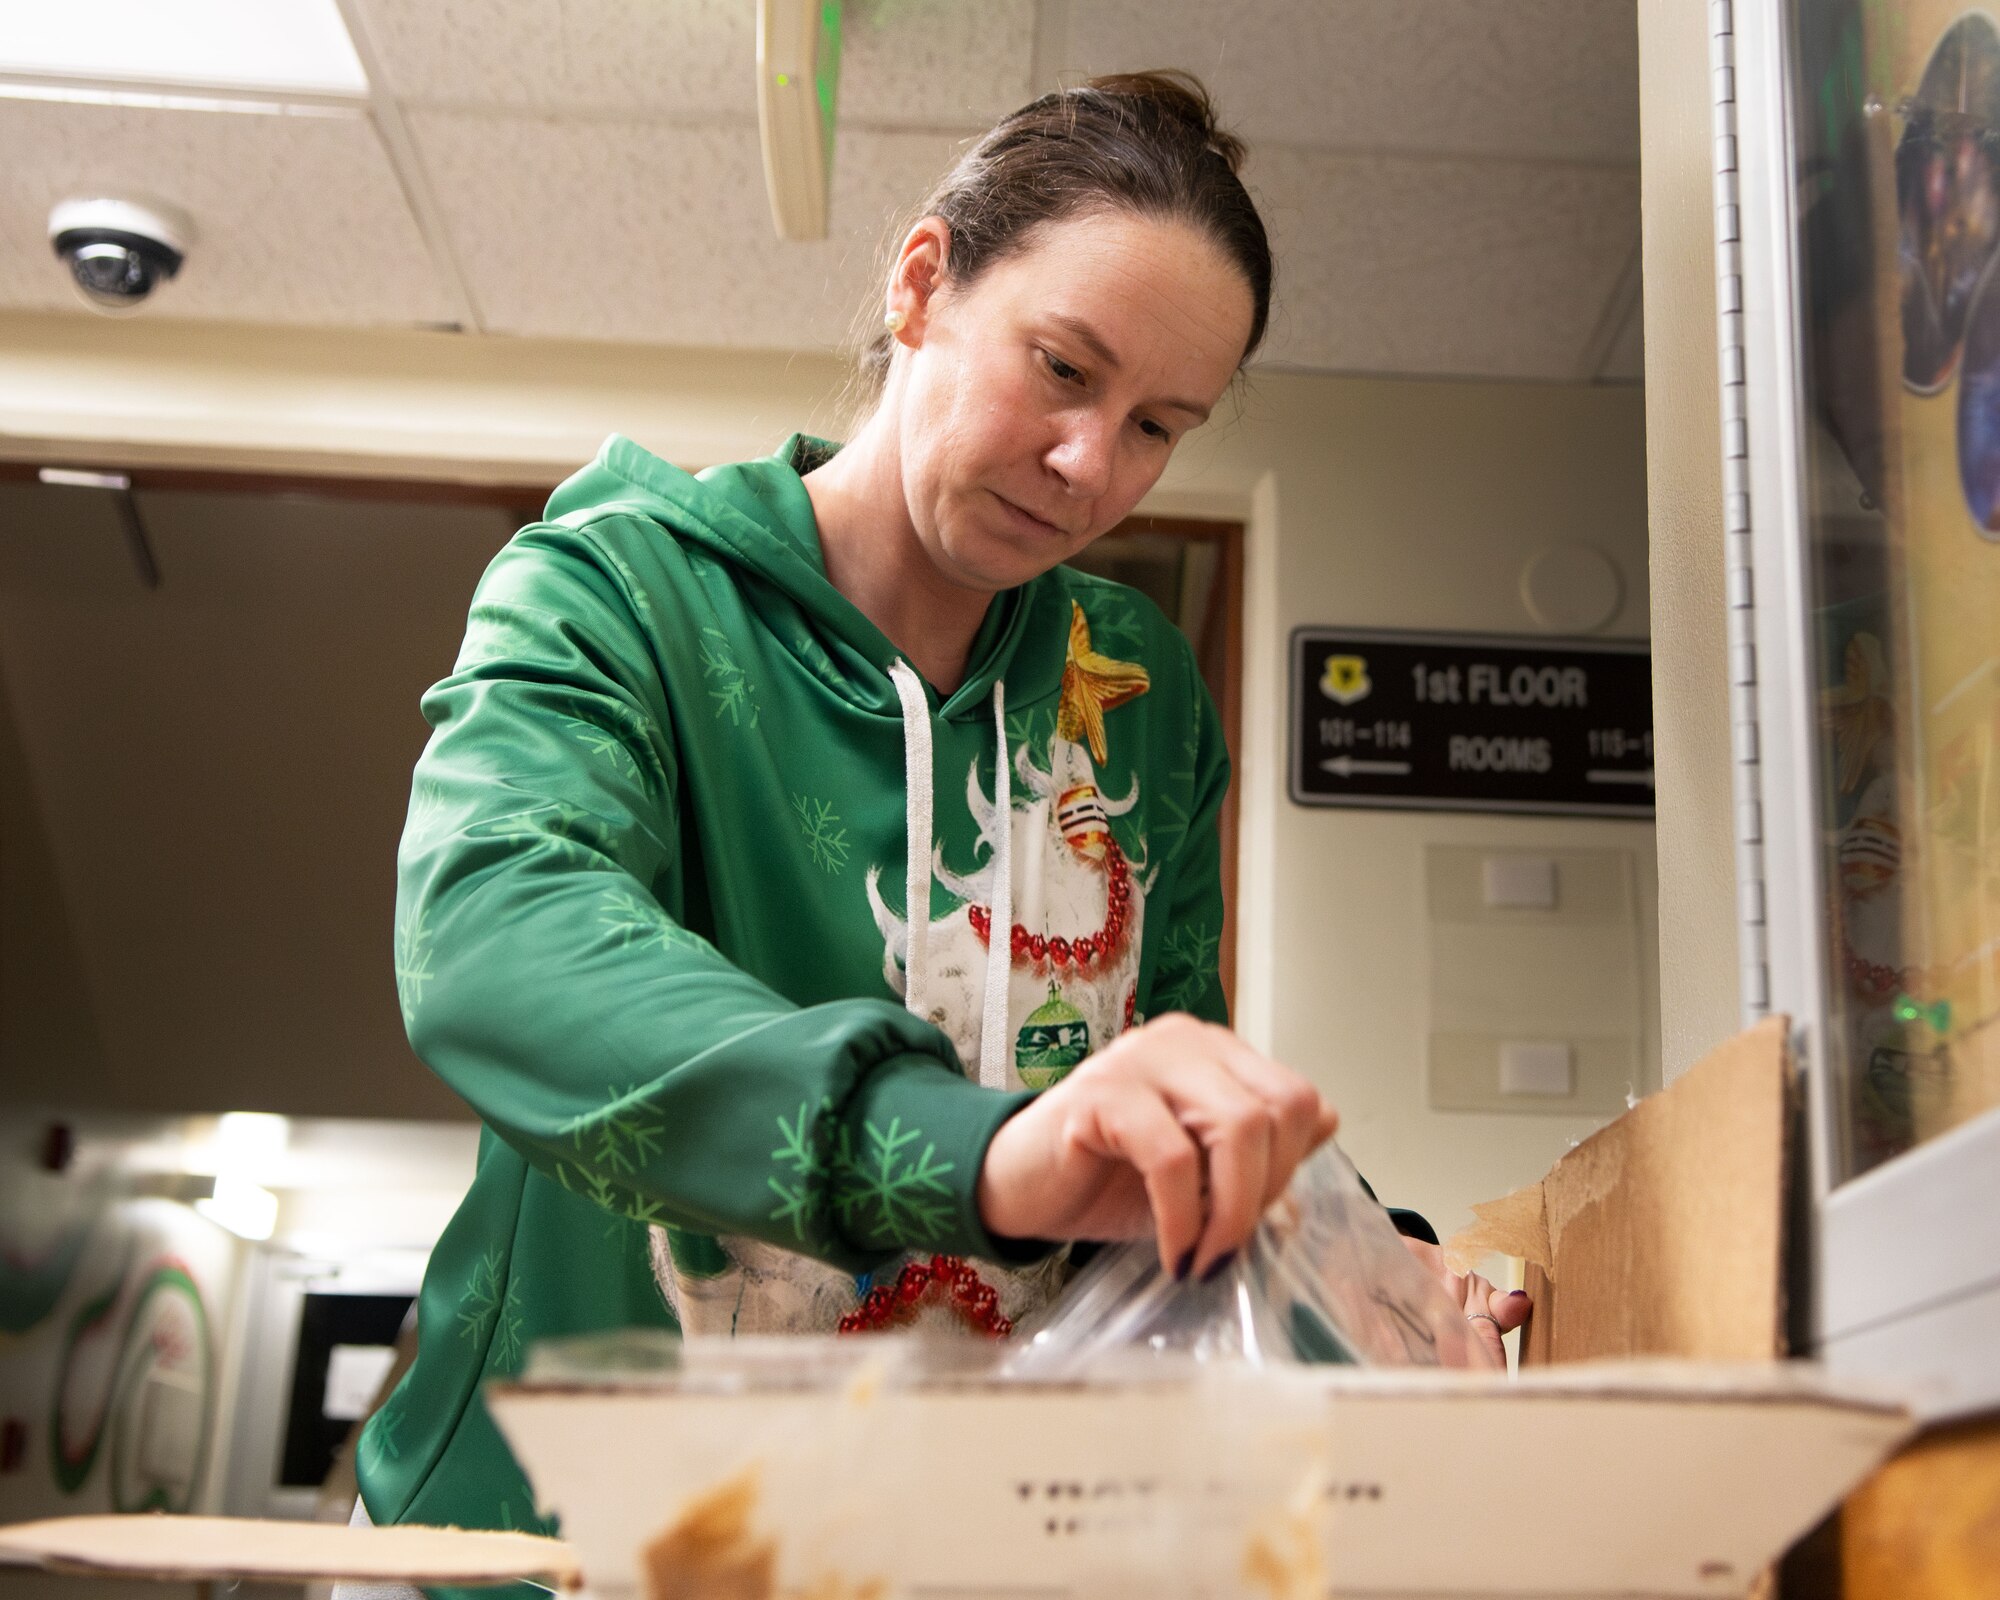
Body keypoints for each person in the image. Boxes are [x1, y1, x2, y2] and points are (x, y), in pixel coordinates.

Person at [354, 69, 1529, 1557]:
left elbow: (1161, 1097)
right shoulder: (614, 593)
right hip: (543, 1556)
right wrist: (974, 1158)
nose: (1093, 466)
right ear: (923, 284)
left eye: (1160, 424)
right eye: (1061, 368)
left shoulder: (1137, 685)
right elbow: (494, 938)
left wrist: (1382, 1281)